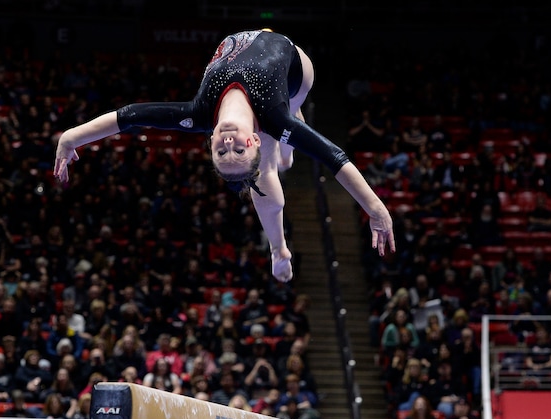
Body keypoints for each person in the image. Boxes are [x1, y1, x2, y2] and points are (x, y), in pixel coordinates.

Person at [54, 29, 395, 284]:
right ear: (252, 141)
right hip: (294, 75)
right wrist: (375, 208)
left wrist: (72, 137)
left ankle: (286, 148)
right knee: (270, 165)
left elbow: (128, 117)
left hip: (276, 103)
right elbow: (334, 158)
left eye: (222, 150)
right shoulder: (270, 118)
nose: (229, 143)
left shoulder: (199, 114)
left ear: (211, 138)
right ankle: (279, 249)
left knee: (280, 148)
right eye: (239, 148)